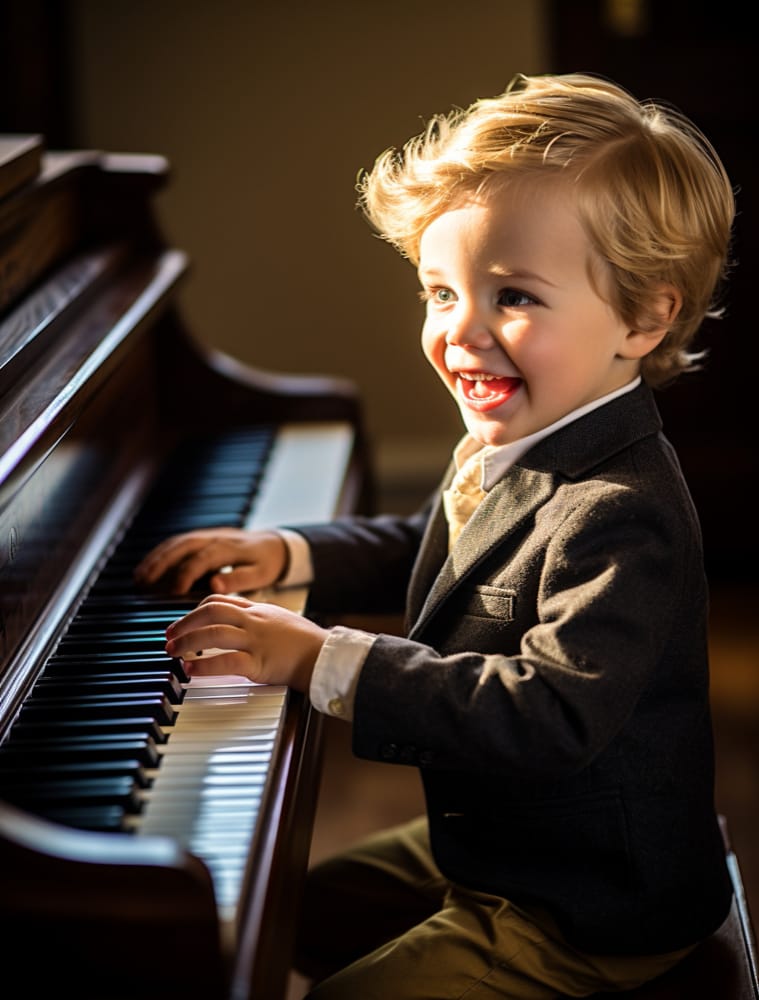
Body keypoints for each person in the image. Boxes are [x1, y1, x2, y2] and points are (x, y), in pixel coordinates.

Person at [134, 72, 736, 998]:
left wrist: (324, 660)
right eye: (439, 292)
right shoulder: (526, 433)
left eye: (514, 297)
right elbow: (440, 539)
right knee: (284, 910)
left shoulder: (622, 508)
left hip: (586, 900)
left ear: (641, 316)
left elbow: (549, 714)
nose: (462, 332)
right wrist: (293, 553)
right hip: (503, 830)